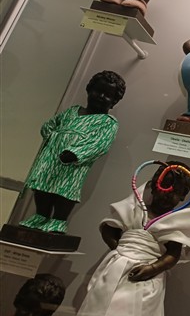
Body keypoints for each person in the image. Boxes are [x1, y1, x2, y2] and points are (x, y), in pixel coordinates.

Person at [76, 161, 190, 316]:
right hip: (116, 265)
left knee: (135, 310)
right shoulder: (134, 210)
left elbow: (173, 254)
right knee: (100, 302)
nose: (167, 195)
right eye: (164, 187)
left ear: (183, 196)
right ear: (153, 186)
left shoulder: (174, 223)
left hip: (146, 274)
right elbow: (108, 228)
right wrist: (121, 249)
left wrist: (153, 268)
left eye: (175, 192)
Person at [19, 71, 126, 234]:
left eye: (107, 95)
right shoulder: (72, 111)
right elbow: (51, 125)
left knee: (64, 190)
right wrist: (50, 135)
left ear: (114, 101)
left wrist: (76, 153)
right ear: (89, 90)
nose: (101, 96)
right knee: (41, 187)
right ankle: (41, 215)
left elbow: (99, 144)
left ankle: (58, 220)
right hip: (50, 159)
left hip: (73, 166)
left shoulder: (107, 123)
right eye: (98, 91)